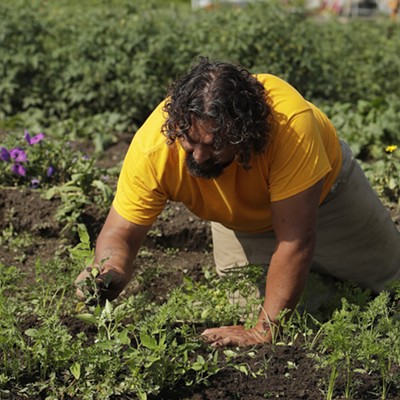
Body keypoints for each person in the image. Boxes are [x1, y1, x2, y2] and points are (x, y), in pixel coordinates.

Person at [75, 57, 400, 347]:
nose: (199, 157)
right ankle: (333, 297)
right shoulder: (154, 149)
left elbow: (296, 240)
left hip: (329, 201)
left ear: (246, 134)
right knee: (267, 310)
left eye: (215, 145)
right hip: (242, 223)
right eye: (191, 140)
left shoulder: (290, 127)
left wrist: (263, 331)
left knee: (391, 287)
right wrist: (109, 269)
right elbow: (120, 233)